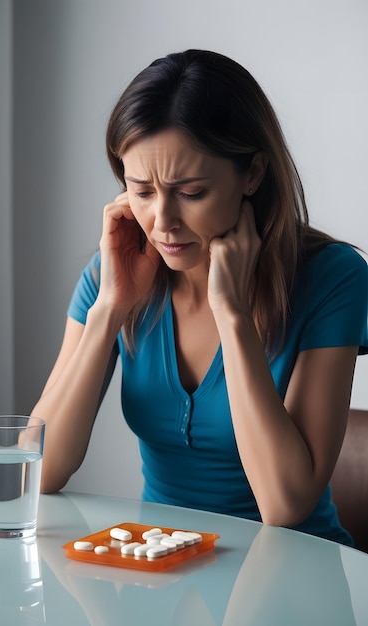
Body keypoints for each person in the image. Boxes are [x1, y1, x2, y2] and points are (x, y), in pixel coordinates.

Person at [33, 49, 368, 545]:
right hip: (164, 570)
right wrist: (108, 311)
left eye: (190, 192)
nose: (163, 222)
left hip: (296, 573)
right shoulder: (114, 273)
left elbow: (285, 503)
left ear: (252, 174)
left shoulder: (332, 278)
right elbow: (38, 472)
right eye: (142, 191)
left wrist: (232, 315)